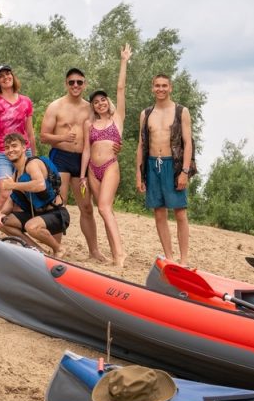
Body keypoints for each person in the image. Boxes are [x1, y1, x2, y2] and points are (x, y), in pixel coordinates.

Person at [40, 66, 104, 262]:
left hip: (82, 161)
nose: (75, 85)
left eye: (79, 82)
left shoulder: (90, 108)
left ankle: (94, 250)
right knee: (59, 204)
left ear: (85, 84)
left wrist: (113, 145)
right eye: (71, 82)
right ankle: (55, 248)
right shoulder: (56, 106)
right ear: (66, 84)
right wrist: (62, 138)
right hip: (61, 157)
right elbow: (43, 136)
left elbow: (106, 127)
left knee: (86, 207)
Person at [80, 44, 131, 267]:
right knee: (103, 211)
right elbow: (86, 150)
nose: (100, 103)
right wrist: (82, 175)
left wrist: (123, 61)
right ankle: (114, 253)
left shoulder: (117, 118)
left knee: (103, 207)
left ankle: (120, 255)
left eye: (102, 100)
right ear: (93, 105)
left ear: (107, 101)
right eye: (95, 101)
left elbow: (120, 88)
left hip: (110, 165)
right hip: (92, 169)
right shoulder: (89, 124)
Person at [135, 73, 194, 265]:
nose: (160, 89)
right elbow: (141, 145)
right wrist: (139, 173)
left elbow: (188, 143)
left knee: (180, 212)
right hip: (152, 165)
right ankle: (169, 257)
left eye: (164, 86)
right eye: (157, 86)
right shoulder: (146, 114)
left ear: (170, 88)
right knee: (159, 212)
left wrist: (184, 171)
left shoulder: (181, 111)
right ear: (152, 88)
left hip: (173, 164)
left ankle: (184, 260)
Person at [0, 133, 69, 255]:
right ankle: (39, 251)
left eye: (14, 146)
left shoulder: (32, 164)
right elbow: (11, 200)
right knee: (3, 222)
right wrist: (0, 213)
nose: (10, 150)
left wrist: (13, 185)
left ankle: (59, 249)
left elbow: (40, 185)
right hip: (37, 215)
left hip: (56, 214)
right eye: (7, 148)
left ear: (24, 148)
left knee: (31, 226)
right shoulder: (16, 174)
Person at [0, 64, 35, 234]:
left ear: (13, 76)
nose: (6, 77)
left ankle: (19, 233)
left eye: (8, 74)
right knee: (5, 193)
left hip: (23, 151)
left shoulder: (25, 101)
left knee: (23, 195)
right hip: (1, 152)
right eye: (1, 76)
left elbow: (30, 132)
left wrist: (34, 158)